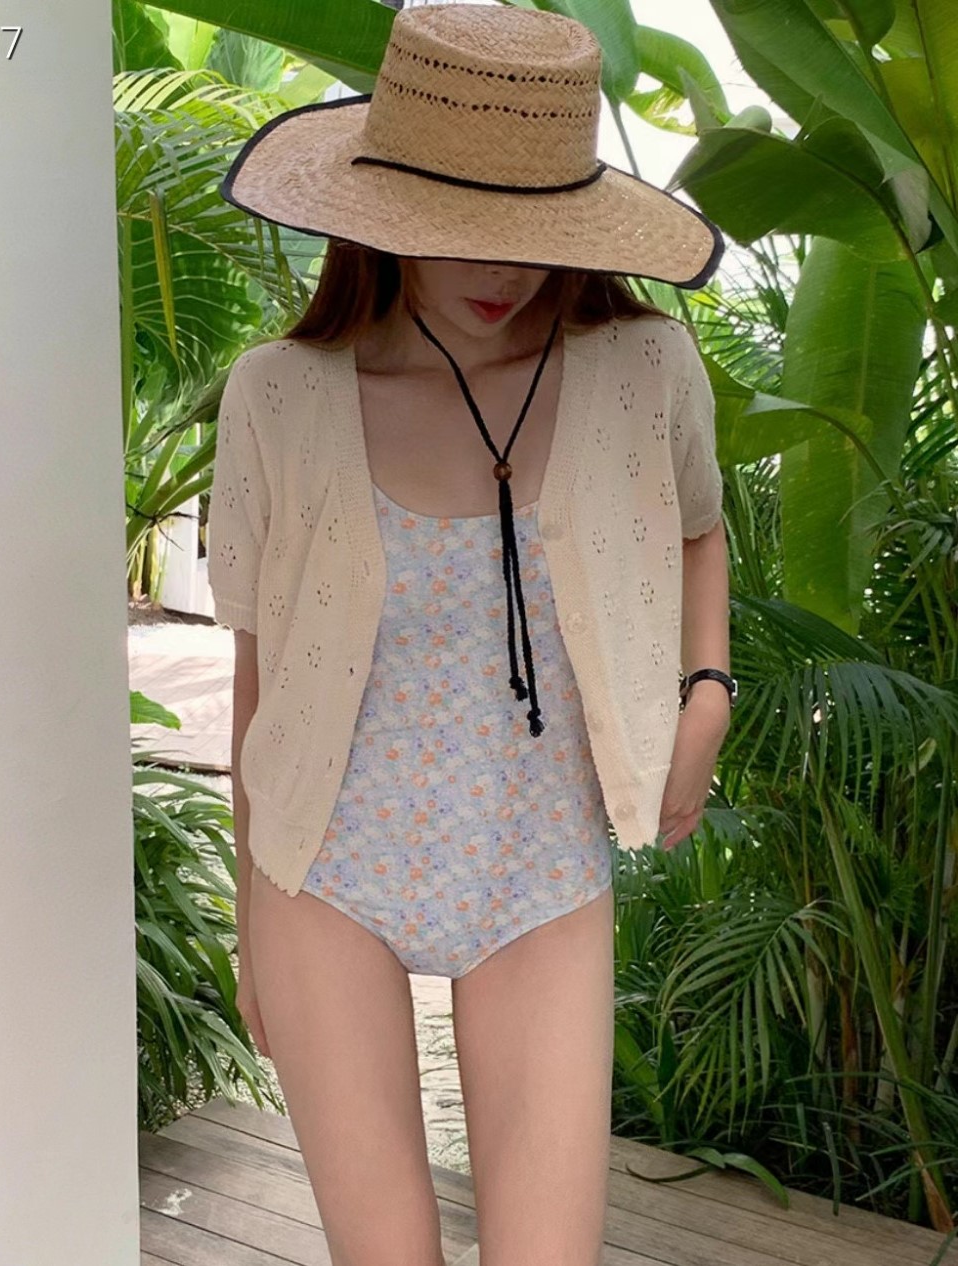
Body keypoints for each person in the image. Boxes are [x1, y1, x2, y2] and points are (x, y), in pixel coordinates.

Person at [207, 5, 735, 1264]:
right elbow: (261, 671)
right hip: (321, 873)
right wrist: (246, 918)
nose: (507, 270)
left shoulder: (643, 369)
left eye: (536, 233)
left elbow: (697, 527)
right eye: (463, 229)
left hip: (538, 865)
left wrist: (708, 691)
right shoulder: (280, 395)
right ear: (382, 212)